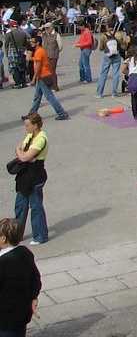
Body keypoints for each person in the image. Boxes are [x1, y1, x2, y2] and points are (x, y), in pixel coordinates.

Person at [0, 216, 42, 336]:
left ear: (3, 239)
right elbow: (35, 278)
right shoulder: (25, 253)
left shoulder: (3, 263)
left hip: (4, 317)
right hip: (22, 313)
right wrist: (34, 297)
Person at [12, 113, 49, 245]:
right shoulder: (30, 135)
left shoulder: (41, 138)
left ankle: (40, 236)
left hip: (35, 176)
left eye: (27, 125)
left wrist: (22, 154)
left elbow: (23, 157)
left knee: (36, 206)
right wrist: (22, 153)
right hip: (24, 176)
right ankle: (16, 235)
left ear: (35, 125)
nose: (25, 127)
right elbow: (20, 149)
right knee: (20, 206)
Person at [25, 35, 68, 121]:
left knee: (50, 97)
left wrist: (33, 79)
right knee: (37, 97)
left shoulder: (39, 52)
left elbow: (38, 68)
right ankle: (31, 114)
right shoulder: (40, 51)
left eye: (32, 42)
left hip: (43, 77)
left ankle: (62, 113)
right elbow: (38, 61)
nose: (31, 43)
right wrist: (31, 58)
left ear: (37, 43)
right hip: (44, 76)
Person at [3, 22, 29, 89]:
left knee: (14, 68)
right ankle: (23, 82)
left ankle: (18, 83)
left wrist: (7, 54)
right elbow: (26, 43)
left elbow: (6, 45)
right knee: (22, 66)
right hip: (22, 51)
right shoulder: (23, 33)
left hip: (13, 52)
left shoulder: (9, 34)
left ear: (11, 27)